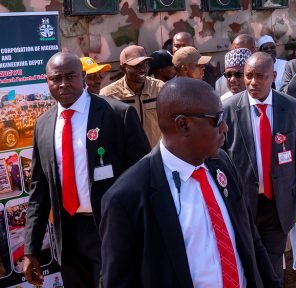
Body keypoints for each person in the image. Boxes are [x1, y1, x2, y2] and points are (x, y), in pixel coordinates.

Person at [99, 77, 281, 288]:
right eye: (217, 118)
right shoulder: (128, 197)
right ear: (183, 124)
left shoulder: (222, 163)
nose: (225, 128)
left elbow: (250, 238)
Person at [23, 52, 150, 288]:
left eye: (70, 76)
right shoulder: (43, 125)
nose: (63, 84)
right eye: (56, 78)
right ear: (47, 81)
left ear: (83, 77)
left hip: (110, 230)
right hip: (69, 236)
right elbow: (39, 192)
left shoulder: (117, 115)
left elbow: (144, 178)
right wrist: (31, 249)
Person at [221, 53, 296, 283]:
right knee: (247, 265)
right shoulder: (228, 109)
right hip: (242, 205)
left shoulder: (290, 107)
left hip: (278, 205)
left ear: (273, 76)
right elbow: (219, 161)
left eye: (260, 76)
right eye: (248, 76)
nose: (253, 82)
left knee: (273, 271)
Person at [100, 45, 164, 147]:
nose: (143, 69)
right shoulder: (108, 95)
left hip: (155, 155)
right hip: (127, 159)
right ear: (123, 68)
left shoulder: (160, 89)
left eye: (145, 64)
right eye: (137, 65)